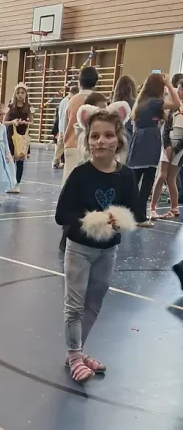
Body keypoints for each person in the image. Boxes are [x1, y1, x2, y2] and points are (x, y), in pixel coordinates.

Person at [55, 102, 136, 383]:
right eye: (95, 135)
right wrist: (91, 220)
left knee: (95, 302)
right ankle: (75, 354)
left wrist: (119, 219)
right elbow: (61, 215)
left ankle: (76, 352)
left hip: (108, 250)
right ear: (87, 140)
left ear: (119, 139)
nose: (101, 140)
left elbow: (135, 211)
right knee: (74, 305)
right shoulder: (80, 174)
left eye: (108, 135)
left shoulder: (126, 175)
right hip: (79, 249)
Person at [127, 72, 181, 226]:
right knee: (147, 181)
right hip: (149, 142)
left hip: (141, 140)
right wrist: (169, 84)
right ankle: (140, 217)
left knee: (135, 179)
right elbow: (177, 104)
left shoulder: (142, 101)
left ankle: (132, 214)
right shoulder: (153, 102)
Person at [149, 72, 183, 220]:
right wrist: (167, 145)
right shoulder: (174, 106)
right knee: (162, 175)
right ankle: (153, 207)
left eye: (180, 90)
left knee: (170, 177)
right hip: (169, 143)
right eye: (178, 89)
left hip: (180, 148)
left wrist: (176, 149)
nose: (178, 92)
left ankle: (173, 208)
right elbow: (167, 128)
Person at [61, 65, 100, 182]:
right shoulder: (98, 100)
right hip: (91, 147)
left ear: (79, 81)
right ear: (96, 82)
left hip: (71, 144)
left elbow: (64, 125)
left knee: (68, 183)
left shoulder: (71, 100)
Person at [3, 83, 31, 191]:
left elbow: (32, 121)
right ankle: (10, 183)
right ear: (15, 94)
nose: (20, 95)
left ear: (25, 94)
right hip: (11, 136)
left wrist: (25, 122)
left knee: (20, 161)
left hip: (22, 136)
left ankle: (17, 184)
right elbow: (4, 121)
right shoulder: (10, 107)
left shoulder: (28, 108)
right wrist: (13, 122)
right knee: (10, 161)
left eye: (22, 93)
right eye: (18, 93)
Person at [0, 100, 14, 200]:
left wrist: (7, 154)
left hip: (0, 153)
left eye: (3, 114)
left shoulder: (3, 127)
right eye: (0, 114)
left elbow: (5, 142)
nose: (2, 116)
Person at [53, 85, 77, 169]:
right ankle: (62, 162)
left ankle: (56, 162)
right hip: (66, 128)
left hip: (62, 128)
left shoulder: (63, 101)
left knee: (60, 146)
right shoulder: (70, 101)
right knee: (66, 146)